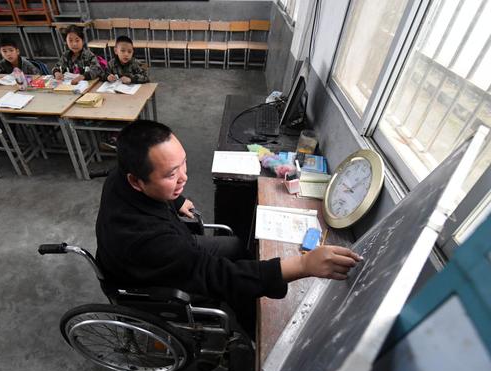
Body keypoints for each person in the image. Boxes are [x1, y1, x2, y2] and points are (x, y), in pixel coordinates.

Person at [95, 120, 362, 337]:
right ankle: (253, 332)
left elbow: (154, 190)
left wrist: (176, 200)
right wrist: (303, 266)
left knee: (234, 246)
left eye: (182, 163)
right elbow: (216, 275)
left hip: (165, 249)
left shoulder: (123, 175)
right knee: (237, 286)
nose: (184, 176)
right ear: (136, 181)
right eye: (171, 174)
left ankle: (249, 303)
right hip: (147, 278)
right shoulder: (149, 240)